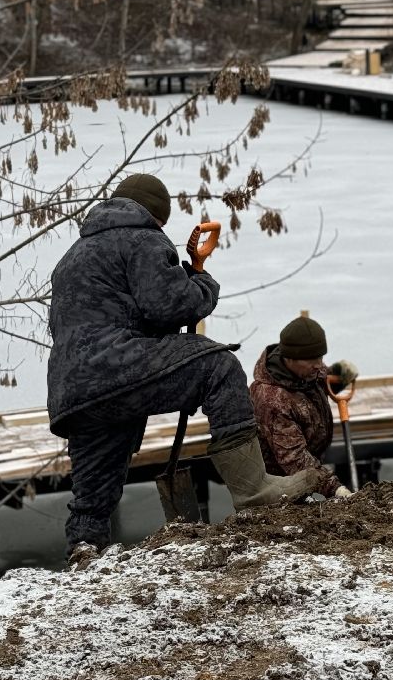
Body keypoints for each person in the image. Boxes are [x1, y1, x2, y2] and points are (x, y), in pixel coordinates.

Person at [47, 174, 318, 559]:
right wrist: (202, 283)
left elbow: (120, 313)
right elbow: (169, 306)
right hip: (120, 367)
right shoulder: (144, 238)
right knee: (218, 366)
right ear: (158, 216)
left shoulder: (72, 256)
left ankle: (84, 546)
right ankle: (253, 489)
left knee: (95, 488)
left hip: (74, 391)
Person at [250, 315, 359, 499]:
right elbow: (295, 458)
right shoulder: (272, 400)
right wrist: (335, 488)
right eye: (312, 360)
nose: (319, 365)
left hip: (304, 471)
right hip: (278, 488)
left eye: (321, 358)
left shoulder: (304, 370)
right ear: (290, 358)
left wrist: (338, 377)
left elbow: (315, 382)